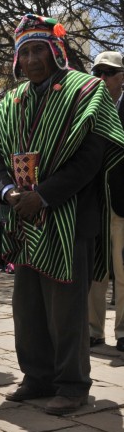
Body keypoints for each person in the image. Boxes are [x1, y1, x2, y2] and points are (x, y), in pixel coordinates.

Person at [0, 14, 124, 415]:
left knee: (67, 307)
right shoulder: (10, 104)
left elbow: (91, 158)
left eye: (38, 50)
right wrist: (10, 191)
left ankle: (73, 385)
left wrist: (43, 196)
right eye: (24, 52)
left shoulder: (87, 92)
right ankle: (36, 376)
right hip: (25, 217)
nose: (31, 59)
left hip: (68, 215)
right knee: (26, 304)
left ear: (56, 50)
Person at [87, 51, 124, 351]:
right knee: (95, 271)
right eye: (97, 72)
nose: (102, 78)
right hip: (95, 202)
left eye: (109, 72)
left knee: (123, 271)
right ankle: (92, 330)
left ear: (121, 76)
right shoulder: (88, 110)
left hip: (122, 202)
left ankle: (123, 333)